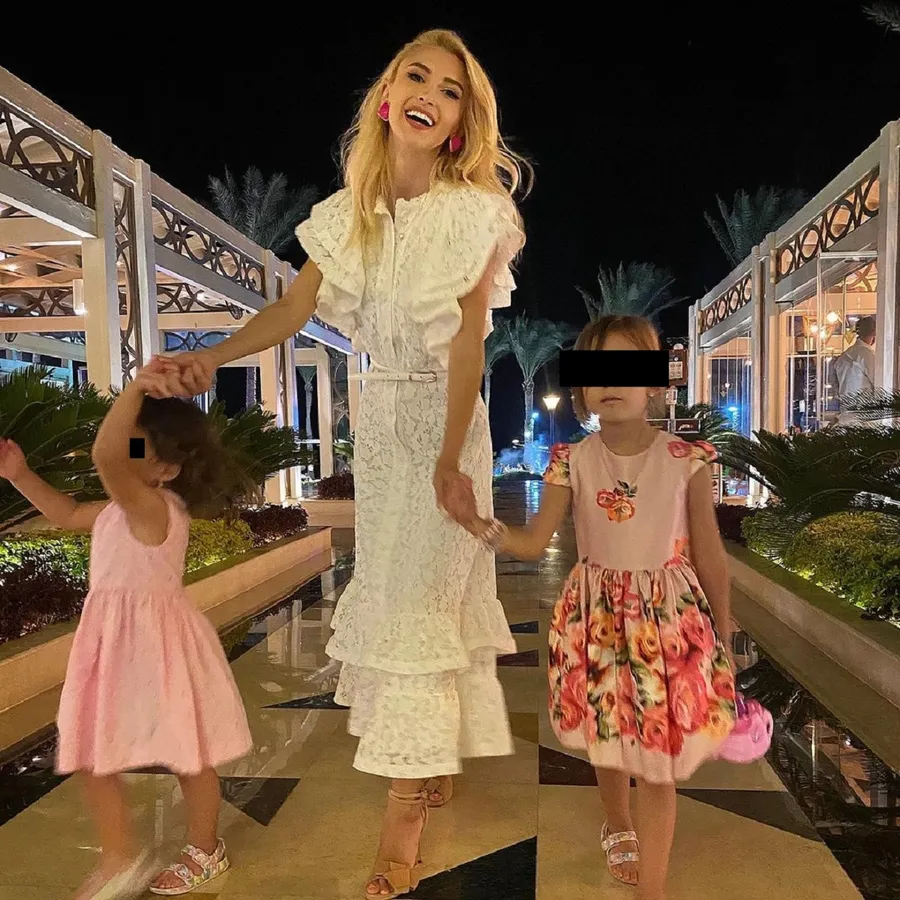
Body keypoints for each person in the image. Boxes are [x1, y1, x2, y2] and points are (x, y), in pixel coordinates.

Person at [152, 29, 528, 899]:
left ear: (462, 122)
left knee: (421, 605)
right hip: (383, 425)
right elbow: (291, 311)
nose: (430, 93)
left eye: (452, 89)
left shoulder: (475, 214)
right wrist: (212, 356)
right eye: (417, 76)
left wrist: (450, 458)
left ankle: (403, 820)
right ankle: (427, 758)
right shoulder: (345, 214)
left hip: (445, 422)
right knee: (402, 596)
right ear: (388, 96)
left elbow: (467, 342)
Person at [471, 316, 736, 900]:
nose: (609, 383)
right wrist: (481, 525)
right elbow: (533, 542)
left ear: (656, 381)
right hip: (595, 619)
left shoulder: (687, 459)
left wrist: (724, 629)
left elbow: (710, 553)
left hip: (669, 622)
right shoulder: (570, 460)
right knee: (609, 729)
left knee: (659, 755)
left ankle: (653, 889)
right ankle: (617, 822)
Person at [0, 363, 252, 900]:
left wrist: (136, 388)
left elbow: (106, 455)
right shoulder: (120, 509)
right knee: (92, 752)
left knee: (188, 752)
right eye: (130, 445)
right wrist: (19, 475)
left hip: (156, 645)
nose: (124, 453)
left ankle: (205, 848)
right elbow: (67, 512)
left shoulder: (152, 505)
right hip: (116, 645)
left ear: (167, 469)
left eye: (139, 447)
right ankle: (119, 855)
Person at [827, 315, 875, 425]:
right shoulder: (867, 355)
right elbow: (880, 383)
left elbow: (835, 385)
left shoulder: (844, 356)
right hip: (863, 416)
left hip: (846, 414)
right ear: (874, 333)